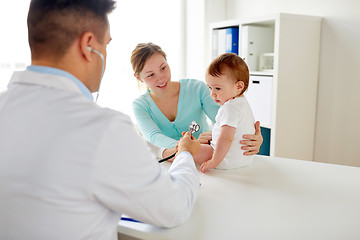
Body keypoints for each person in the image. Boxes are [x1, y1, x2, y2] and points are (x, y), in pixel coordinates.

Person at [0, 1, 201, 240]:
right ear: (88, 45)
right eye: (106, 44)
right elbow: (174, 207)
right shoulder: (103, 129)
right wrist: (186, 154)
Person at [131, 42, 263, 157]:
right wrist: (188, 146)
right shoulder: (140, 105)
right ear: (139, 77)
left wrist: (251, 136)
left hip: (206, 156)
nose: (161, 78)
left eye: (163, 68)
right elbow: (154, 137)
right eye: (151, 75)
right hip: (170, 161)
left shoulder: (197, 88)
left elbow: (226, 119)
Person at [199, 53, 255, 173]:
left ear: (239, 86)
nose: (212, 94)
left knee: (188, 149)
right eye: (210, 88)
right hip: (244, 159)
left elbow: (226, 138)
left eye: (217, 88)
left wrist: (214, 161)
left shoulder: (230, 108)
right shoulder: (242, 103)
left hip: (224, 158)